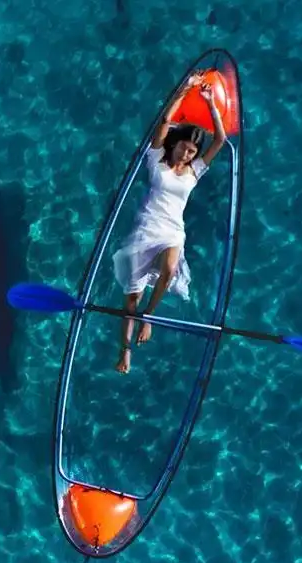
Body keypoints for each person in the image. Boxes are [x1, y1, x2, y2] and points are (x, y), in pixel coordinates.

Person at [113, 72, 226, 374]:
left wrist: (210, 102)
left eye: (192, 151)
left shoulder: (195, 171)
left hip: (173, 232)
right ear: (176, 144)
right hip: (146, 228)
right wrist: (184, 90)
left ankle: (149, 316)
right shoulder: (156, 159)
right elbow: (165, 121)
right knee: (131, 299)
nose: (187, 153)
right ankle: (125, 351)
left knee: (170, 270)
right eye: (184, 147)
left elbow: (221, 139)